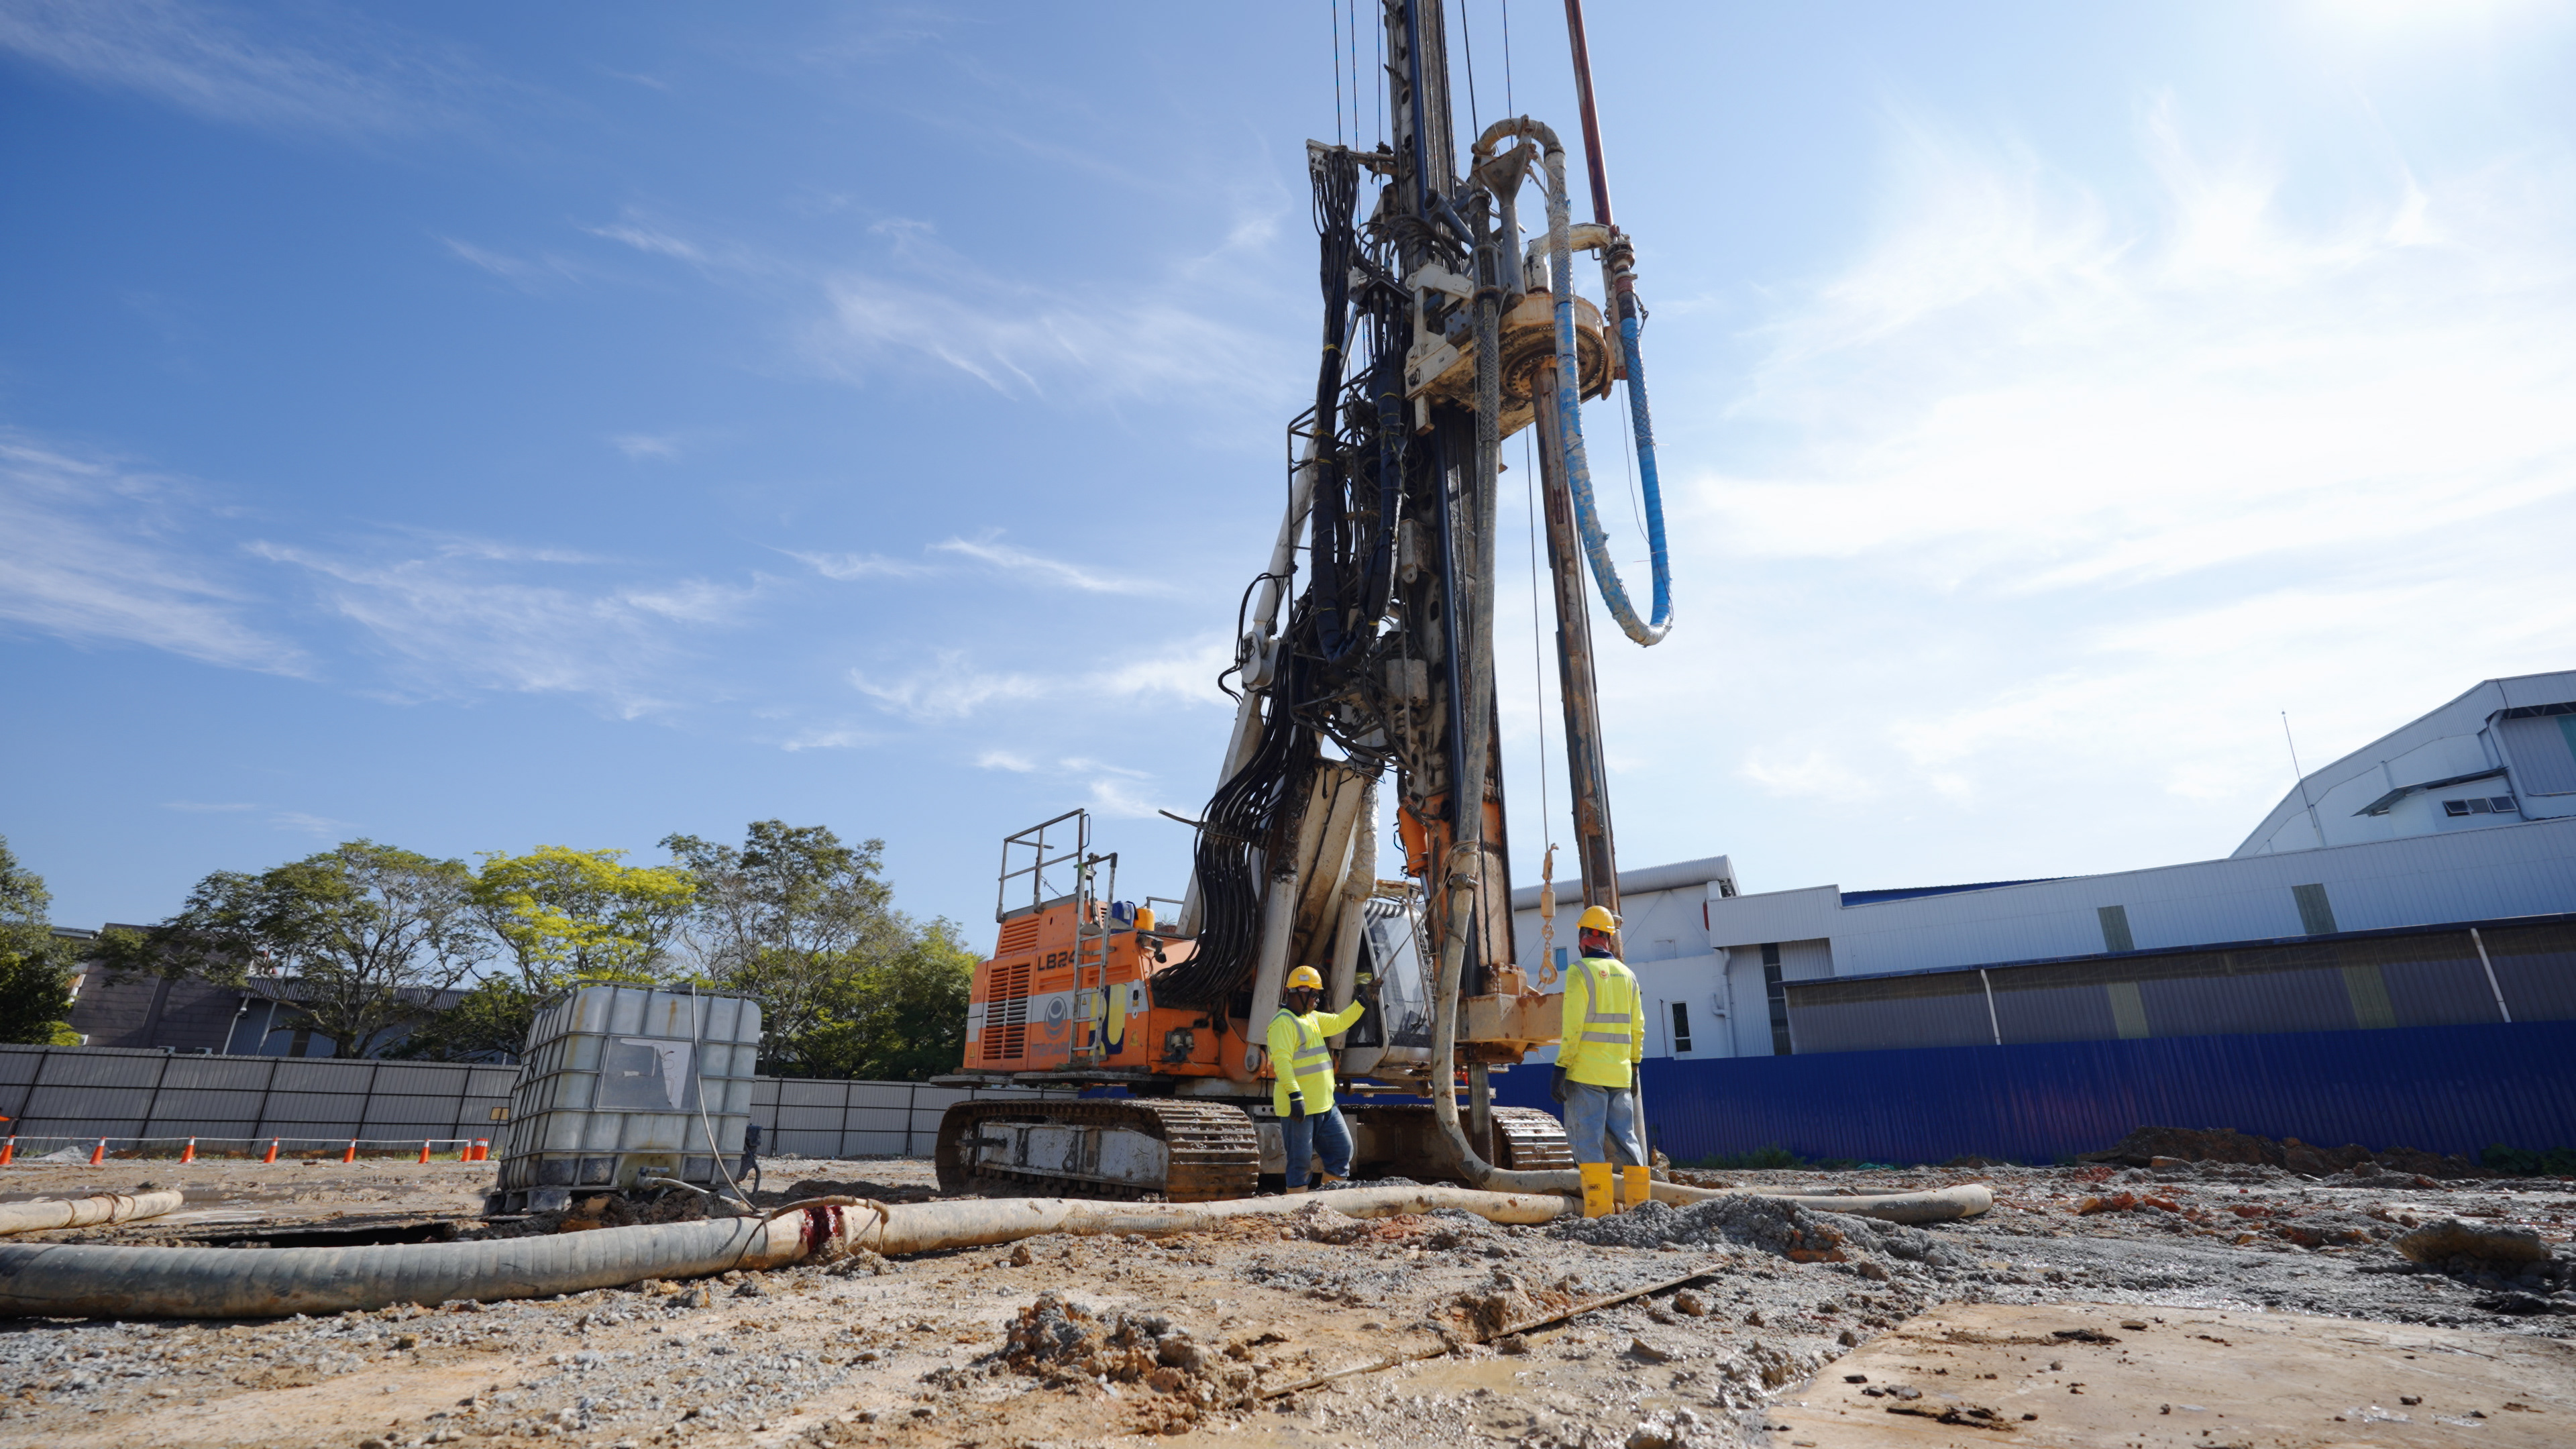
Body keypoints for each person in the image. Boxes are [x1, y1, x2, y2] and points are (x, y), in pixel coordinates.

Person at [1552, 904, 1648, 1218]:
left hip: (1586, 1075)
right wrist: (1634, 1066)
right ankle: (1640, 1207)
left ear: (1583, 938)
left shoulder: (1580, 972)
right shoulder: (1628, 975)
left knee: (1587, 1142)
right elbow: (1638, 1027)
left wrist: (1561, 1067)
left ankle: (1599, 1210)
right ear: (1608, 939)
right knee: (1628, 1141)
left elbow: (1573, 1026)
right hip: (1620, 1074)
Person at [1267, 965, 1376, 1193]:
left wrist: (1363, 1000)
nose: (1317, 999)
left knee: (1342, 1151)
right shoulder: (1282, 1023)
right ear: (1299, 992)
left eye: (1318, 994)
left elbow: (1340, 1022)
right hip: (1300, 1106)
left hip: (1325, 1105)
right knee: (1300, 1164)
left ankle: (1328, 1202)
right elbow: (1282, 1064)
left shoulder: (1313, 1018)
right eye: (1314, 994)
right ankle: (1298, 1209)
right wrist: (1295, 1096)